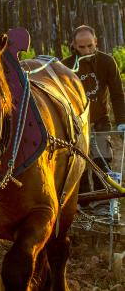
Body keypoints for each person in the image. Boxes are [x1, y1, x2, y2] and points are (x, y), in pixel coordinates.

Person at [62, 25, 125, 214]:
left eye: (90, 46)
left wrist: (122, 121)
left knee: (102, 160)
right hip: (75, 123)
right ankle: (80, 202)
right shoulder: (64, 66)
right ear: (73, 45)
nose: (87, 51)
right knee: (77, 164)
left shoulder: (107, 62)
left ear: (96, 42)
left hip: (100, 120)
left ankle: (102, 203)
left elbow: (117, 94)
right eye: (82, 47)